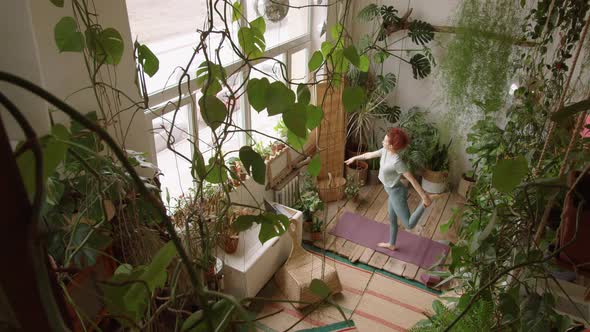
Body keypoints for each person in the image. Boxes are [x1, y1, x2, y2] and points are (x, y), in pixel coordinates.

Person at [344, 128, 432, 251]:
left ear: (391, 146)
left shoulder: (397, 162)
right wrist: (354, 158)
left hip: (397, 193)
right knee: (392, 218)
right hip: (391, 191)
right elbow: (369, 155)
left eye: (384, 140)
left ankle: (425, 204)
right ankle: (392, 244)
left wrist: (424, 196)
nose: (382, 141)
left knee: (409, 224)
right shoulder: (385, 151)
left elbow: (412, 179)